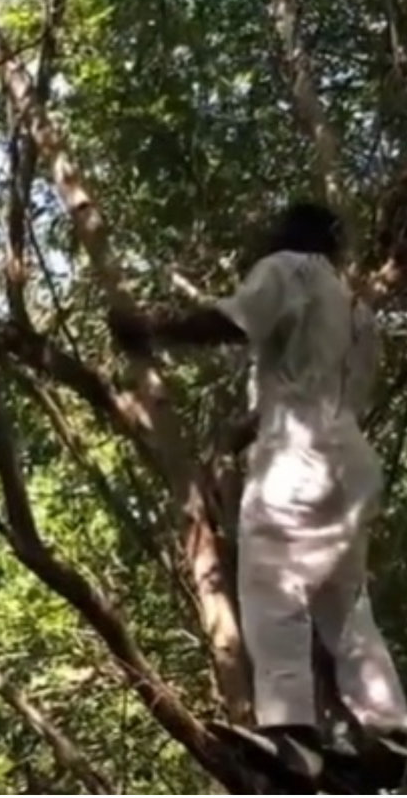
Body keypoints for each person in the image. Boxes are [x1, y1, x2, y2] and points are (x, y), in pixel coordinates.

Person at [108, 202, 407, 774]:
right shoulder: (357, 312)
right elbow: (322, 385)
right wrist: (244, 429)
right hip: (350, 463)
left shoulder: (291, 268)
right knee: (343, 603)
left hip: (299, 456)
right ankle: (389, 729)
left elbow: (231, 321)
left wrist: (149, 328)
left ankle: (293, 734)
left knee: (272, 584)